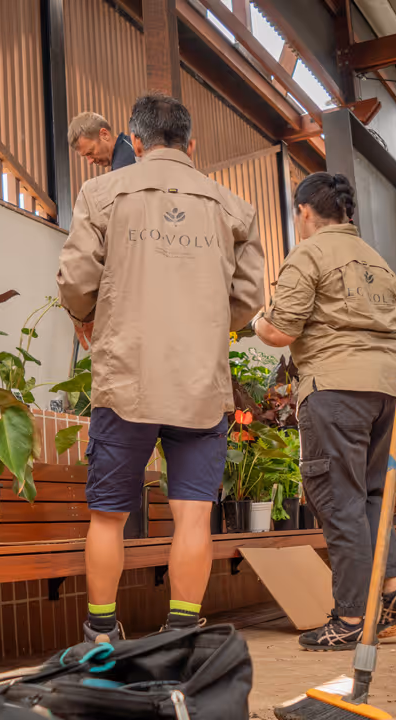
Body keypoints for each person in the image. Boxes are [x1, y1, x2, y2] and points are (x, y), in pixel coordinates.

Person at [57, 94, 265, 642]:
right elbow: (246, 299)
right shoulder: (234, 208)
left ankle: (101, 633)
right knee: (193, 514)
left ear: (137, 141)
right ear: (191, 145)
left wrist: (88, 318)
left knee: (108, 515)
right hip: (199, 383)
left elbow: (77, 279)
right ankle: (182, 632)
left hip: (128, 376)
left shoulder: (100, 193)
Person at [253, 172, 396, 651]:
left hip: (335, 389)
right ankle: (395, 586)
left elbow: (280, 331)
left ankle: (350, 616)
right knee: (371, 495)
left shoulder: (308, 254)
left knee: (339, 501)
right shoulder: (377, 261)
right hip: (387, 390)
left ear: (304, 212)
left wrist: (255, 320)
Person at [68, 111, 137, 171]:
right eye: (85, 156)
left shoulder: (124, 162)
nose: (90, 162)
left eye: (90, 152)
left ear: (104, 135)